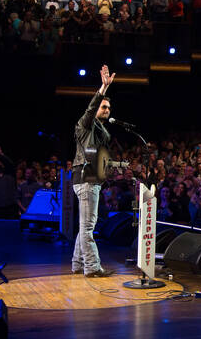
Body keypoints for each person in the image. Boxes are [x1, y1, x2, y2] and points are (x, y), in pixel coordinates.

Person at [71, 65, 116, 278]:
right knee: (88, 226)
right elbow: (91, 109)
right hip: (86, 178)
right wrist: (103, 89)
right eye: (103, 107)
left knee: (84, 225)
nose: (106, 110)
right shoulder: (85, 125)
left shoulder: (99, 130)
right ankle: (92, 266)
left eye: (108, 107)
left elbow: (99, 156)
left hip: (90, 177)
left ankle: (77, 264)